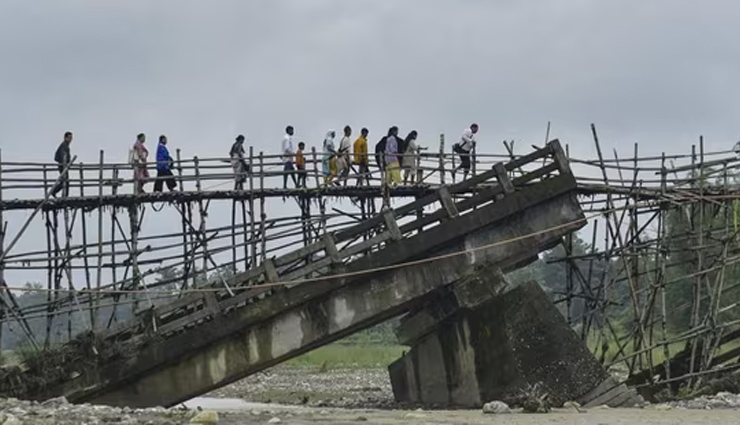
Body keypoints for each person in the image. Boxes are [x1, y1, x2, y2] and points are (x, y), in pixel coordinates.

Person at [51, 131, 73, 197]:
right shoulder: (64, 145)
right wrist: (64, 163)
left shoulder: (66, 146)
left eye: (71, 138)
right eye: (69, 137)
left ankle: (59, 193)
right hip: (62, 166)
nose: (70, 139)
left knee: (64, 181)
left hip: (65, 165)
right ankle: (60, 194)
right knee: (65, 181)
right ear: (65, 138)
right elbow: (62, 155)